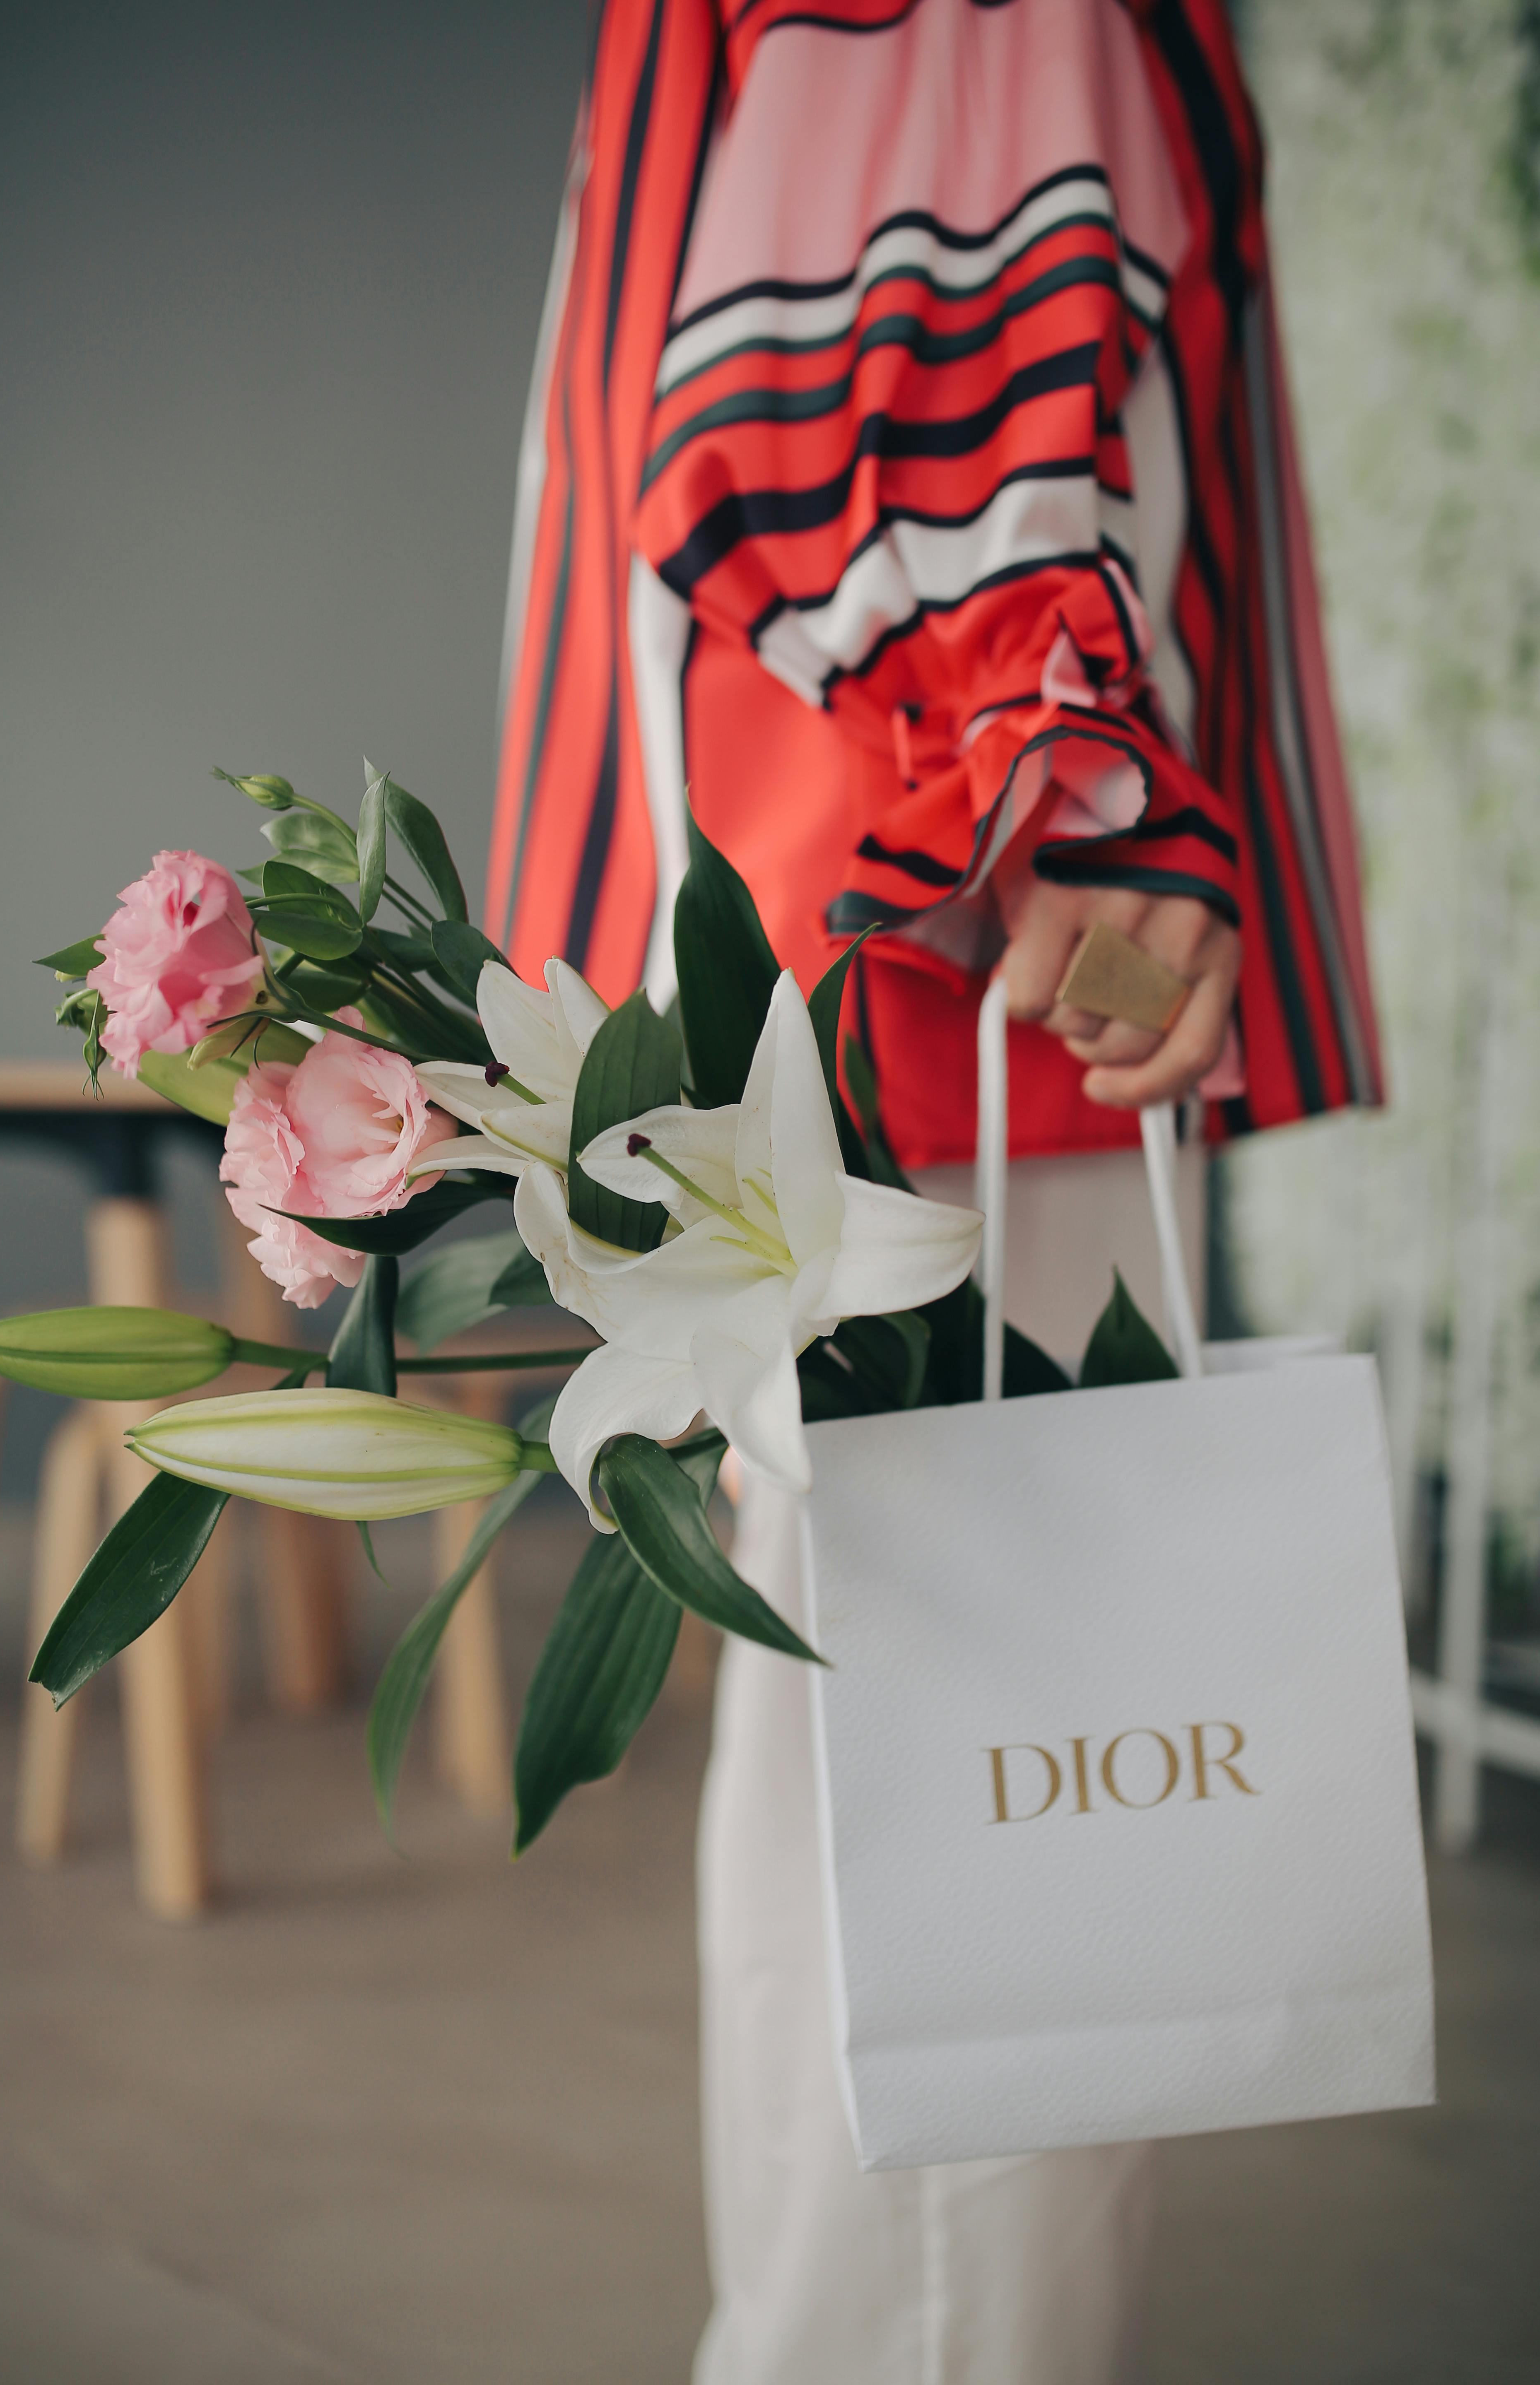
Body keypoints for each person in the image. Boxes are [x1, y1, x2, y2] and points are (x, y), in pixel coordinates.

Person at [488, 3, 1381, 2376]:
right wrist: (1075, 794)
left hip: (841, 935)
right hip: (948, 952)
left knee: (869, 1821)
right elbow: (915, 324)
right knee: (984, 1850)